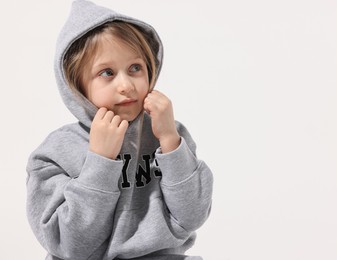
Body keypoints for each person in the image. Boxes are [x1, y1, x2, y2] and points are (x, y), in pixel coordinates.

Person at [26, 0, 213, 259]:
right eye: (107, 73)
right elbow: (70, 246)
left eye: (135, 68)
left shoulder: (170, 135)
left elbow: (192, 217)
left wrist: (170, 140)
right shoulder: (53, 154)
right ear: (78, 87)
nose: (125, 84)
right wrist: (100, 162)